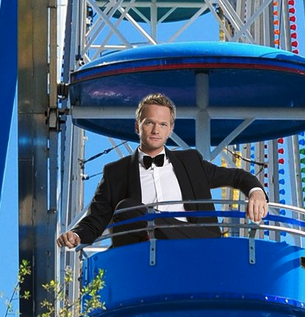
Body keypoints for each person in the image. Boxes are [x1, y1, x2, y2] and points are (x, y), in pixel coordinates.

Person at [56, 93, 268, 249]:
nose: (156, 130)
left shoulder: (190, 162)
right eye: (149, 123)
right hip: (143, 252)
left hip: (197, 244)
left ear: (170, 129)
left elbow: (237, 176)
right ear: (137, 126)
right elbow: (95, 220)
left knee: (136, 212)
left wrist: (256, 192)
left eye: (162, 124)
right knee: (127, 208)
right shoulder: (115, 173)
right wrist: (75, 235)